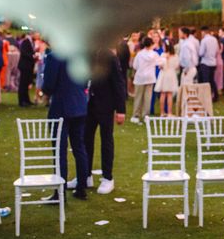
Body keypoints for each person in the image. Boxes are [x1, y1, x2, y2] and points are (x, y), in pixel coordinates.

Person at [42, 52, 89, 200]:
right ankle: (81, 188)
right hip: (79, 105)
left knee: (59, 151)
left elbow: (48, 84)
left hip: (61, 107)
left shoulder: (54, 56)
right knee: (79, 148)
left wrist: (46, 92)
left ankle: (59, 192)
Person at [80, 48, 126, 194]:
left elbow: (119, 83)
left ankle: (108, 178)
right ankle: (85, 175)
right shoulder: (88, 55)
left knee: (106, 140)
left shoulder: (110, 57)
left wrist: (121, 110)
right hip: (89, 104)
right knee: (86, 139)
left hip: (106, 105)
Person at [130, 36, 160, 124]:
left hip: (140, 77)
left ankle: (136, 115)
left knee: (138, 97)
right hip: (150, 77)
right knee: (148, 98)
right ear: (151, 44)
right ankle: (145, 115)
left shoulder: (140, 54)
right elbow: (159, 62)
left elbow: (135, 66)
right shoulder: (154, 54)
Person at [155, 40, 179, 116]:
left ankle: (162, 112)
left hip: (164, 74)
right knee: (169, 94)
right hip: (171, 74)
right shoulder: (175, 56)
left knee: (163, 93)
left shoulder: (163, 55)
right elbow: (177, 66)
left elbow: (159, 65)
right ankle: (169, 112)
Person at [198, 26, 220, 101]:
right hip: (213, 62)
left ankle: (206, 97)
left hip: (205, 63)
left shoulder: (204, 40)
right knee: (212, 80)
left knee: (205, 81)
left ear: (203, 32)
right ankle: (216, 95)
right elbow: (217, 51)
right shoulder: (214, 39)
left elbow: (201, 53)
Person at [17, 32, 36, 107]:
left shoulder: (30, 42)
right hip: (25, 66)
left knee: (26, 83)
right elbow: (24, 53)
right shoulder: (25, 42)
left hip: (28, 66)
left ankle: (26, 100)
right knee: (23, 84)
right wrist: (33, 56)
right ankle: (22, 101)